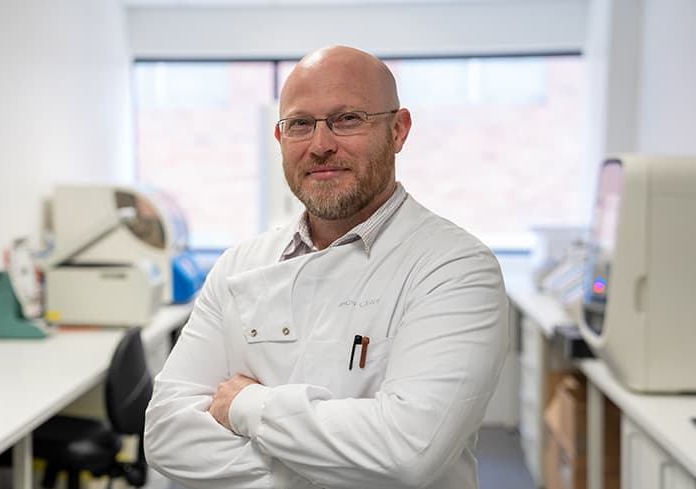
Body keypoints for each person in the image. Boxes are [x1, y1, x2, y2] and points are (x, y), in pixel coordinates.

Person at [144, 45, 509, 489]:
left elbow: (410, 452)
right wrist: (335, 465)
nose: (320, 145)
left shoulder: (456, 269)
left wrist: (247, 406)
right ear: (280, 139)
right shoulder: (239, 266)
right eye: (300, 124)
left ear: (398, 130)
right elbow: (165, 435)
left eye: (348, 119)